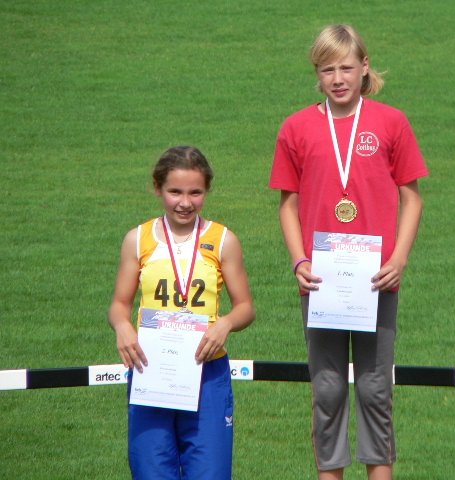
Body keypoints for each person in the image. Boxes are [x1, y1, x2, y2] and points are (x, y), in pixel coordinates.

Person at [269, 24, 428, 480]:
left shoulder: (391, 122)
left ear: (364, 67)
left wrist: (399, 259)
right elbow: (288, 203)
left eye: (345, 67)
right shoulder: (296, 127)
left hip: (376, 279)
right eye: (327, 70)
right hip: (321, 280)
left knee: (376, 390)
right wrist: (299, 260)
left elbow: (412, 198)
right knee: (328, 389)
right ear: (316, 75)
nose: (337, 79)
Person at [108, 146, 255, 480]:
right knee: (151, 472)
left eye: (195, 192)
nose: (185, 202)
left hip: (207, 371)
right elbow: (119, 304)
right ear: (157, 188)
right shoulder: (138, 239)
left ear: (207, 191)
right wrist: (122, 326)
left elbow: (245, 307)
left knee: (210, 474)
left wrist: (226, 324)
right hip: (151, 369)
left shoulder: (223, 240)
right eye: (175, 191)